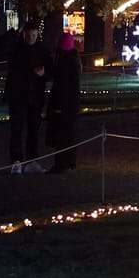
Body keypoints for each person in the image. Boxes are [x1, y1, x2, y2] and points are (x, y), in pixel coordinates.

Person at [6, 24, 50, 173]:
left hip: (35, 96)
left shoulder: (42, 50)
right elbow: (11, 73)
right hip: (18, 96)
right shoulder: (16, 50)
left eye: (33, 36)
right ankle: (16, 160)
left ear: (37, 35)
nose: (31, 38)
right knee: (16, 129)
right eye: (28, 36)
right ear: (24, 35)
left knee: (33, 130)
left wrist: (44, 73)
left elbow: (51, 70)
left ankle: (32, 161)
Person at [46, 30, 84, 172]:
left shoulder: (64, 62)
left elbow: (62, 86)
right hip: (71, 105)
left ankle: (61, 164)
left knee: (61, 135)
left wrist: (58, 106)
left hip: (62, 105)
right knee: (69, 133)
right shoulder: (74, 61)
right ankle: (69, 161)